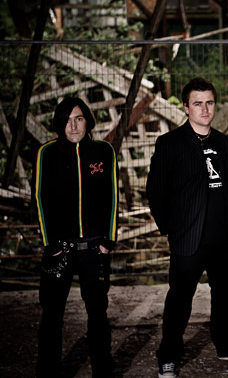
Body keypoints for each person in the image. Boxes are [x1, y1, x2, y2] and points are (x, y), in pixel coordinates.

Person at [147, 77, 228, 378]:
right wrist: (170, 229)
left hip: (223, 237)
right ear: (186, 107)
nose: (205, 109)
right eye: (198, 103)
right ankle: (168, 356)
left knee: (225, 297)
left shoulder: (223, 142)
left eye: (209, 102)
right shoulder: (170, 143)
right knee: (179, 300)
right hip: (189, 237)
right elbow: (155, 191)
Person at [34, 97, 118, 378]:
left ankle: (102, 369)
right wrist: (51, 245)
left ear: (87, 121)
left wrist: (108, 241)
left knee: (97, 312)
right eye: (67, 120)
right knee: (52, 314)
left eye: (79, 119)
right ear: (59, 123)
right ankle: (48, 370)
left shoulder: (104, 151)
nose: (73, 126)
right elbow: (40, 199)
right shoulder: (47, 153)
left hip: (94, 249)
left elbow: (112, 197)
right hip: (60, 250)